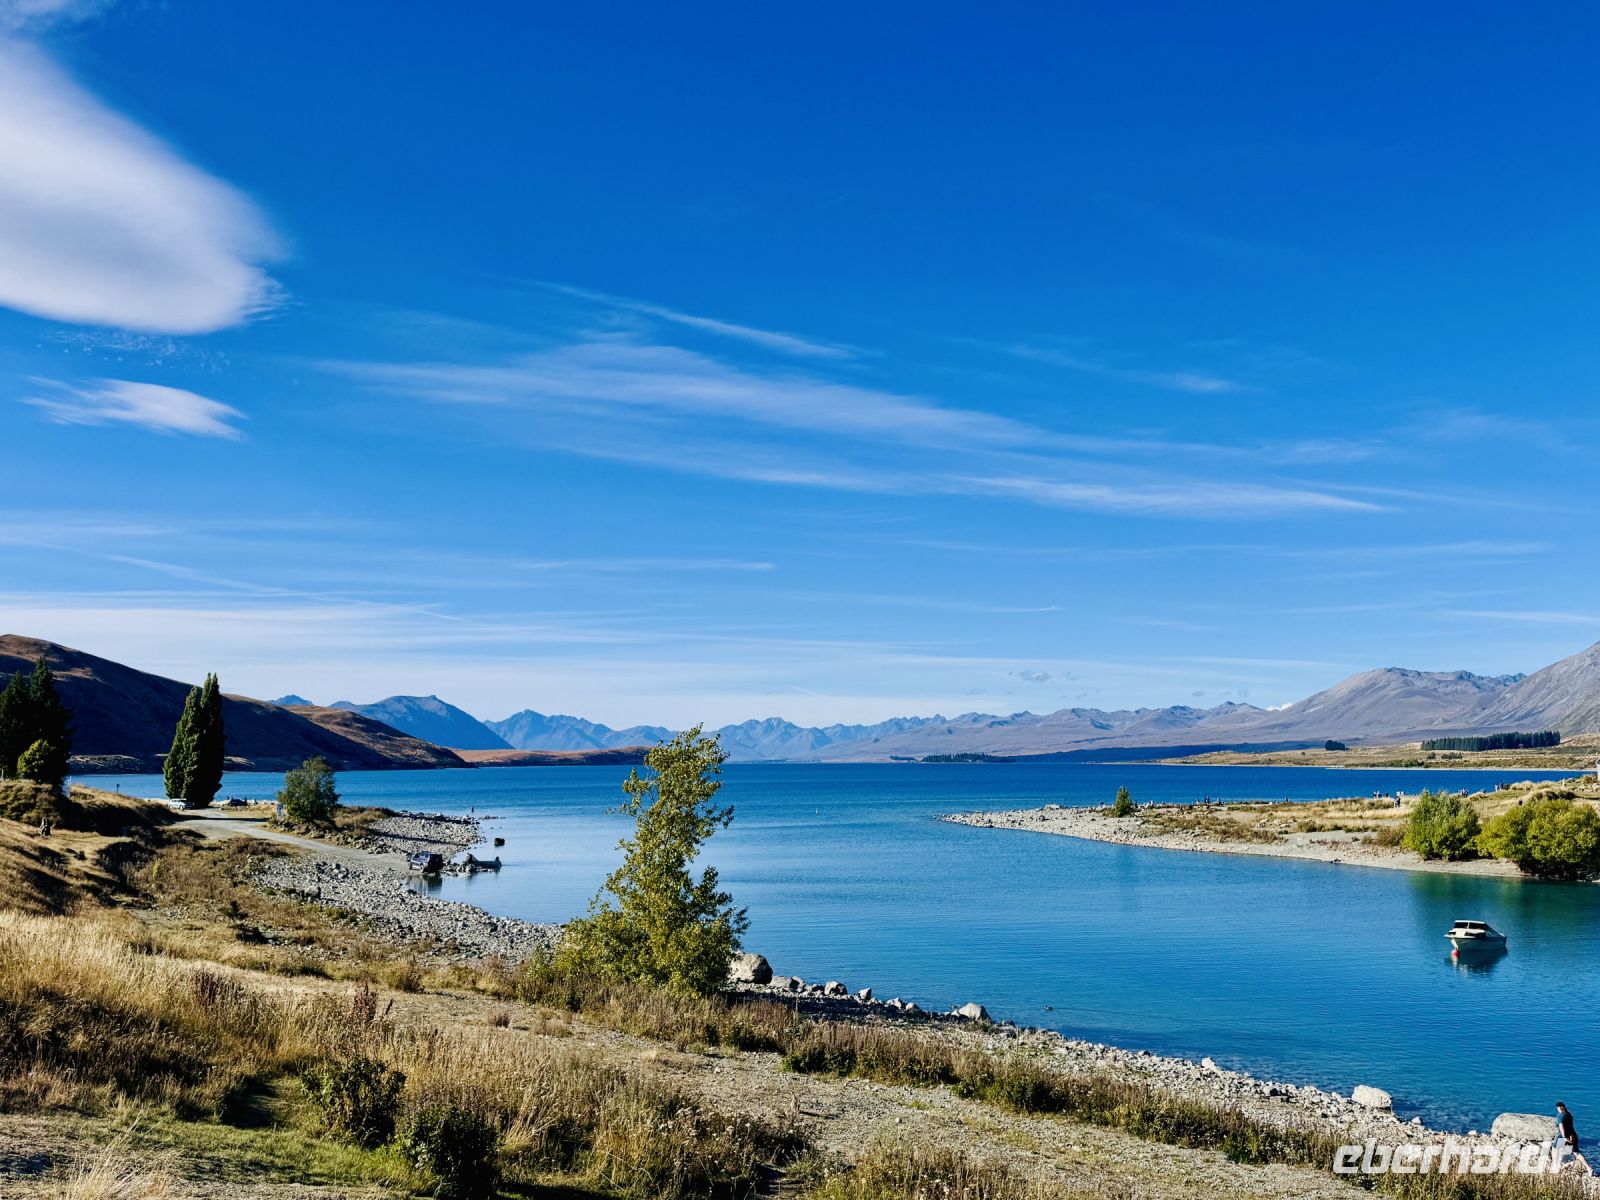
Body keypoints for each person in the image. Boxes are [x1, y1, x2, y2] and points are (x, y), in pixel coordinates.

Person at [1557, 1103, 1592, 1174]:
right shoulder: (1569, 1114)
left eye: (1559, 1108)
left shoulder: (1560, 1116)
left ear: (1559, 1108)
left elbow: (1561, 1127)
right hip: (1573, 1135)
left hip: (1565, 1137)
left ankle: (1557, 1167)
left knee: (1556, 1150)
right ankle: (1589, 1168)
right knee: (1576, 1153)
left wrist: (1564, 1137)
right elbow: (1570, 1126)